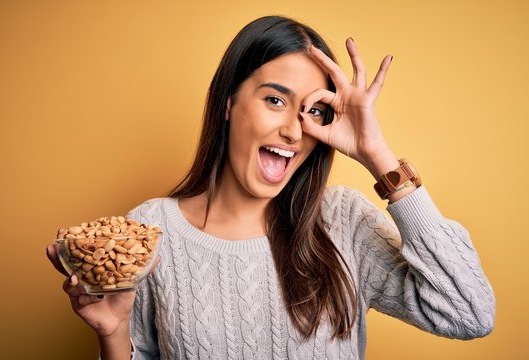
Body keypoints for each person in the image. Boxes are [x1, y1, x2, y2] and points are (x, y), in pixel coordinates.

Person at [46, 15, 495, 359]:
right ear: (228, 103)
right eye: (275, 100)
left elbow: (469, 312)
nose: (294, 131)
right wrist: (113, 333)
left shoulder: (343, 222)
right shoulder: (150, 228)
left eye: (313, 111)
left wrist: (377, 154)